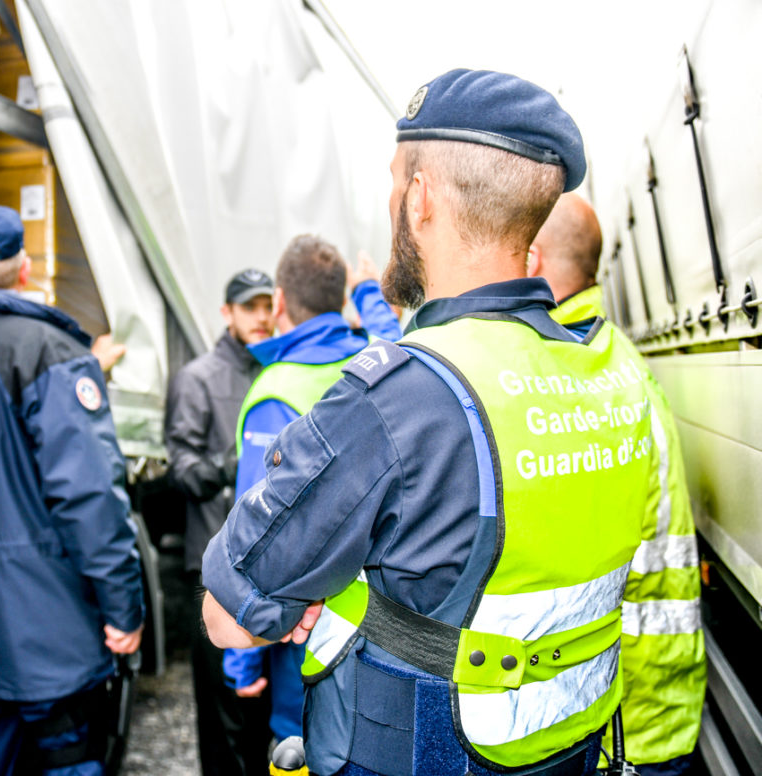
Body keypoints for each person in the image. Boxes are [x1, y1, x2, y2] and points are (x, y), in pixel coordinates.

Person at [201, 68, 660, 776]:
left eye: (393, 183)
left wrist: (318, 597)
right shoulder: (612, 376)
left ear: (419, 199)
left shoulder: (396, 398)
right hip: (573, 750)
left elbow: (228, 616)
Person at [0, 205, 144, 775]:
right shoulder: (47, 349)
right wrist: (123, 607)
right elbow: (89, 494)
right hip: (48, 633)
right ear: (25, 268)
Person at [530, 194, 706, 775]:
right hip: (653, 701)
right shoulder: (613, 361)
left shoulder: (569, 378)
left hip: (622, 717)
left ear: (532, 260)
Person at [225, 235, 401, 749]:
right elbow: (399, 339)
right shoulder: (383, 363)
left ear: (279, 301)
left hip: (303, 632)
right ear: (338, 298)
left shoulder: (275, 391)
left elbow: (256, 538)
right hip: (386, 620)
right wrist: (369, 295)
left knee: (299, 743)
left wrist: (241, 654)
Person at [165, 268, 276, 776]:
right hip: (214, 573)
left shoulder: (277, 373)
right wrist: (240, 459)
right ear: (226, 313)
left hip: (273, 571)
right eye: (249, 306)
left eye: (266, 305)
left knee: (266, 712)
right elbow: (182, 471)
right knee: (222, 714)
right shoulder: (197, 378)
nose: (261, 316)